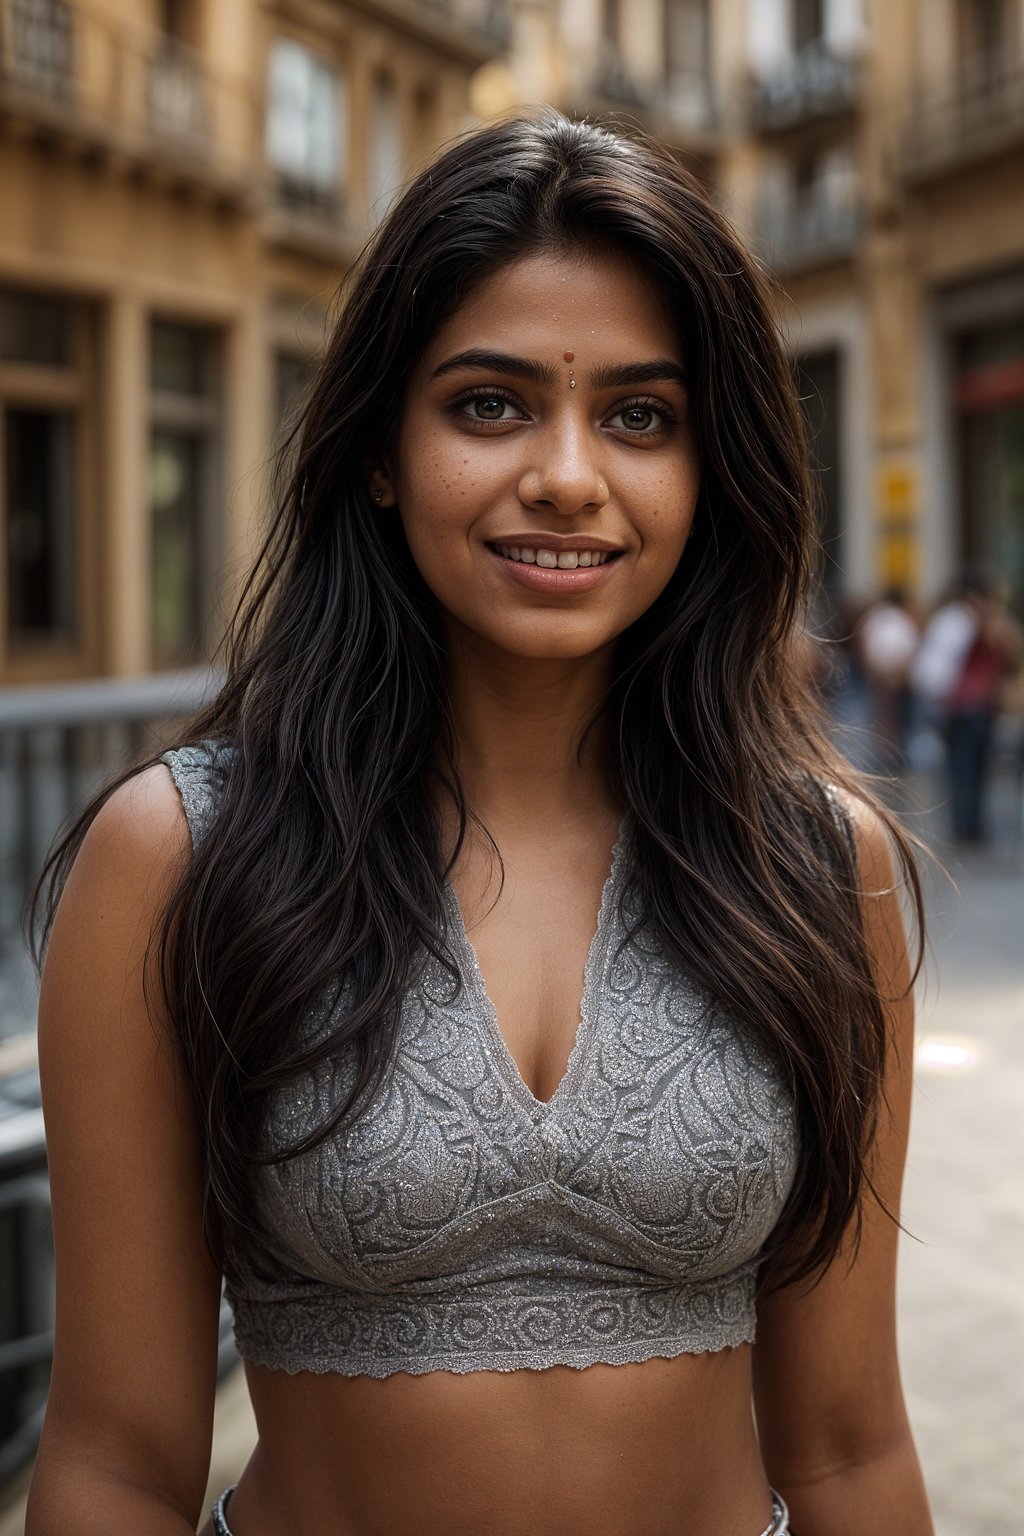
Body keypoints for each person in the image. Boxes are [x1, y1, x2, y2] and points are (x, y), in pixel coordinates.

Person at [25, 111, 933, 1536]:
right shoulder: (182, 859)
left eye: (641, 416)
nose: (569, 474)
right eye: (490, 403)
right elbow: (116, 1463)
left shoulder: (818, 867)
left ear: (708, 473)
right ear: (381, 449)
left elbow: (847, 1448)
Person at [911, 571, 1022, 843]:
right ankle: (970, 828)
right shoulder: (979, 621)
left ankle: (968, 828)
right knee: (972, 770)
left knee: (964, 770)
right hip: (974, 706)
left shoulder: (957, 620)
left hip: (965, 706)